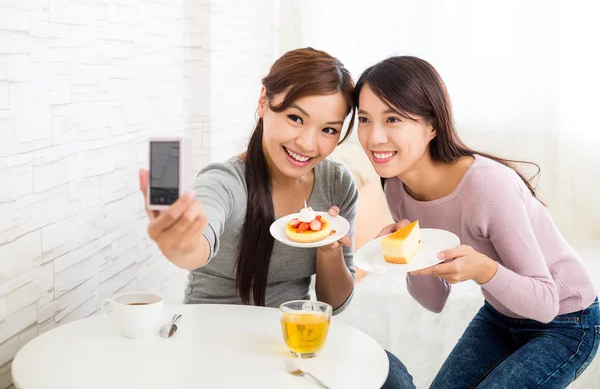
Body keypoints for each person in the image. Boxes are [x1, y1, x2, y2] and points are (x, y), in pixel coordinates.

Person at [139, 47, 415, 388]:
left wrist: (329, 250)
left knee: (393, 375)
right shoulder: (226, 181)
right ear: (263, 103)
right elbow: (196, 244)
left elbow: (334, 303)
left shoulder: (337, 183)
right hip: (215, 342)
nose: (308, 143)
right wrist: (177, 242)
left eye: (328, 130)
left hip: (291, 343)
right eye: (296, 118)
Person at [354, 55, 599, 388]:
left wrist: (483, 270)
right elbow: (434, 301)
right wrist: (407, 258)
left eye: (393, 119)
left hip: (568, 322)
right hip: (501, 315)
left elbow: (545, 303)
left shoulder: (486, 186)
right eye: (365, 119)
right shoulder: (396, 186)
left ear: (432, 125)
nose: (373, 137)